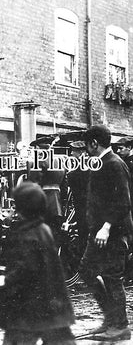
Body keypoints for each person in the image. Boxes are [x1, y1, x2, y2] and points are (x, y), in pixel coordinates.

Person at [0, 182, 76, 345]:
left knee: (17, 340)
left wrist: (4, 280)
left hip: (26, 306)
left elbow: (26, 268)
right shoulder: (43, 229)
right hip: (52, 303)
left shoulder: (25, 234)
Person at [79, 124, 132, 341]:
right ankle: (111, 319)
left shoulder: (114, 164)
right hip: (99, 233)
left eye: (86, 145)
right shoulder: (102, 163)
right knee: (86, 271)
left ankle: (120, 326)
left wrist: (106, 227)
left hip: (111, 233)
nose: (85, 150)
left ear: (94, 143)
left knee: (112, 277)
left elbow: (123, 203)